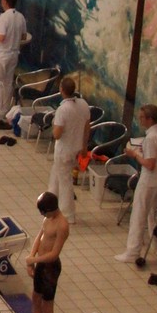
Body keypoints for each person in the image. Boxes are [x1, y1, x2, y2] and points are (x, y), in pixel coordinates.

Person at [15, 191, 70, 313]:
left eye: (43, 212)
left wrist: (33, 260)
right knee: (35, 298)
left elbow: (54, 254)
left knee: (47, 305)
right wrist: (32, 259)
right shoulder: (48, 218)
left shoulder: (62, 225)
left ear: (51, 209)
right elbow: (39, 238)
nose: (42, 215)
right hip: (40, 264)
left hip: (51, 268)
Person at [115, 104, 157, 263]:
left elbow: (150, 164)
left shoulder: (151, 138)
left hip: (149, 181)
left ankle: (132, 251)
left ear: (150, 119)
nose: (140, 119)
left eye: (142, 117)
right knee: (156, 215)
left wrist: (134, 154)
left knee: (139, 215)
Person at [48, 75, 91, 225]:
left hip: (64, 150)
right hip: (77, 147)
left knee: (65, 181)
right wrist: (85, 146)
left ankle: (68, 215)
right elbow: (87, 127)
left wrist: (54, 125)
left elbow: (57, 134)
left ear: (61, 90)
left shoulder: (63, 109)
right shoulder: (83, 104)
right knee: (56, 174)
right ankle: (50, 202)